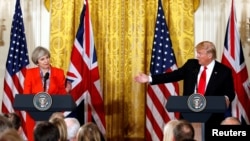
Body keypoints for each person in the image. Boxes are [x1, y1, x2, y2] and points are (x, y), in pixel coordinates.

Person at [134, 41, 235, 125]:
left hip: (212, 116)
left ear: (209, 55)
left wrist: (226, 98)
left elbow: (230, 92)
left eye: (200, 53)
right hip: (188, 114)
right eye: (197, 53)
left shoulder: (224, 71)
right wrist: (149, 78)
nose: (197, 56)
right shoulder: (191, 65)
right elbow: (173, 75)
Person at [23, 46, 70, 141]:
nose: (46, 61)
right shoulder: (30, 73)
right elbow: (26, 95)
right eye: (42, 59)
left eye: (47, 57)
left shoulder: (59, 73)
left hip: (53, 112)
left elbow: (62, 94)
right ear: (37, 62)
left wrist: (66, 91)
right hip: (35, 112)